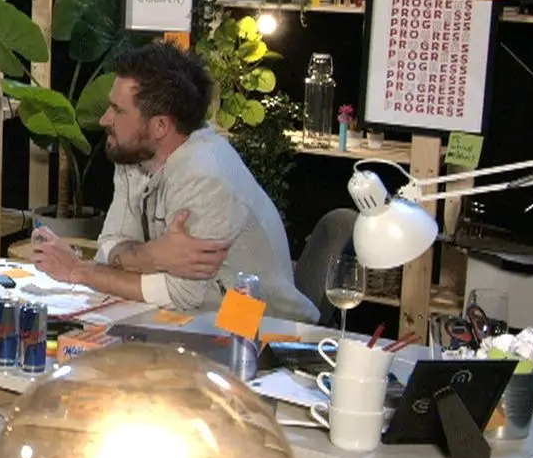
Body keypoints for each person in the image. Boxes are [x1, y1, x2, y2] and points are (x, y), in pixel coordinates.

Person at [26, 43, 318, 323]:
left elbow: (182, 294)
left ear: (160, 125)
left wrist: (78, 271)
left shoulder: (204, 175)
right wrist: (153, 256)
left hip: (265, 332)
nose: (104, 119)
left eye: (117, 110)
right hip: (197, 322)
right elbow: (110, 245)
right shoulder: (135, 153)